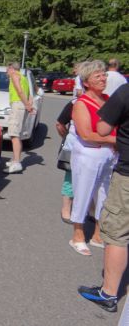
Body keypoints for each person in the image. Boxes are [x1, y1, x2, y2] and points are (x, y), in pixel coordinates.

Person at [78, 82, 129, 313]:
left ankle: (107, 293)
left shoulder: (125, 93)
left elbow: (102, 128)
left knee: (117, 233)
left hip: (127, 175)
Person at [69, 60, 116, 256]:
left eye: (104, 75)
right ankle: (77, 235)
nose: (103, 78)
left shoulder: (107, 99)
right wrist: (116, 140)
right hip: (89, 154)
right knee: (84, 193)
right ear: (86, 82)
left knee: (105, 196)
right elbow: (86, 134)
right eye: (98, 76)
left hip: (109, 155)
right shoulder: (81, 103)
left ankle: (98, 234)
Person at [4, 62, 34, 174]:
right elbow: (30, 94)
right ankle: (15, 160)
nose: (6, 72)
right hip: (22, 106)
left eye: (7, 69)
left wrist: (27, 105)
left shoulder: (14, 75)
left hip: (18, 105)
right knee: (17, 134)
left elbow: (19, 90)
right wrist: (29, 105)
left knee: (14, 134)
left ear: (11, 68)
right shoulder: (24, 77)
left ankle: (16, 162)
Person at [56, 100, 75, 223]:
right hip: (74, 147)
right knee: (71, 177)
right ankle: (66, 209)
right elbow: (60, 123)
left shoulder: (106, 101)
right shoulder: (75, 103)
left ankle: (90, 210)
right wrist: (66, 137)